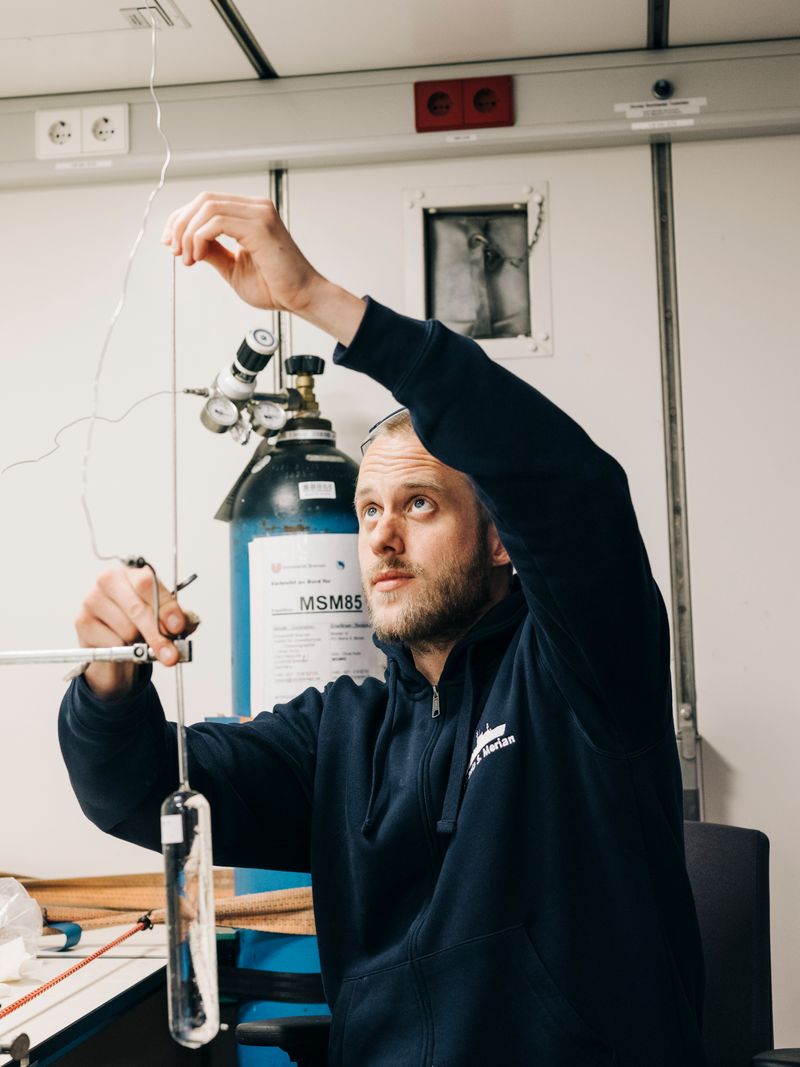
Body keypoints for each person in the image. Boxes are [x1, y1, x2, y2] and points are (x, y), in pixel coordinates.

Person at [59, 193, 705, 1066]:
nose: (381, 537)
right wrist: (110, 676)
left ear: (502, 538)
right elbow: (138, 792)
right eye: (367, 509)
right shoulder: (341, 734)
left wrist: (320, 302)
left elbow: (573, 490)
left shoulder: (581, 678)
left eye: (419, 504)